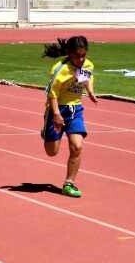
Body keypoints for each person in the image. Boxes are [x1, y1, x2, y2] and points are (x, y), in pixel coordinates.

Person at [41, 36, 97, 198]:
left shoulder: (87, 64)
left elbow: (85, 78)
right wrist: (57, 115)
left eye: (83, 55)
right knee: (52, 152)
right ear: (69, 54)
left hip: (76, 110)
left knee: (77, 146)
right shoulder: (59, 70)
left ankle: (69, 183)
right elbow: (52, 95)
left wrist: (91, 92)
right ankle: (46, 131)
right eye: (77, 56)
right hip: (57, 108)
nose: (80, 60)